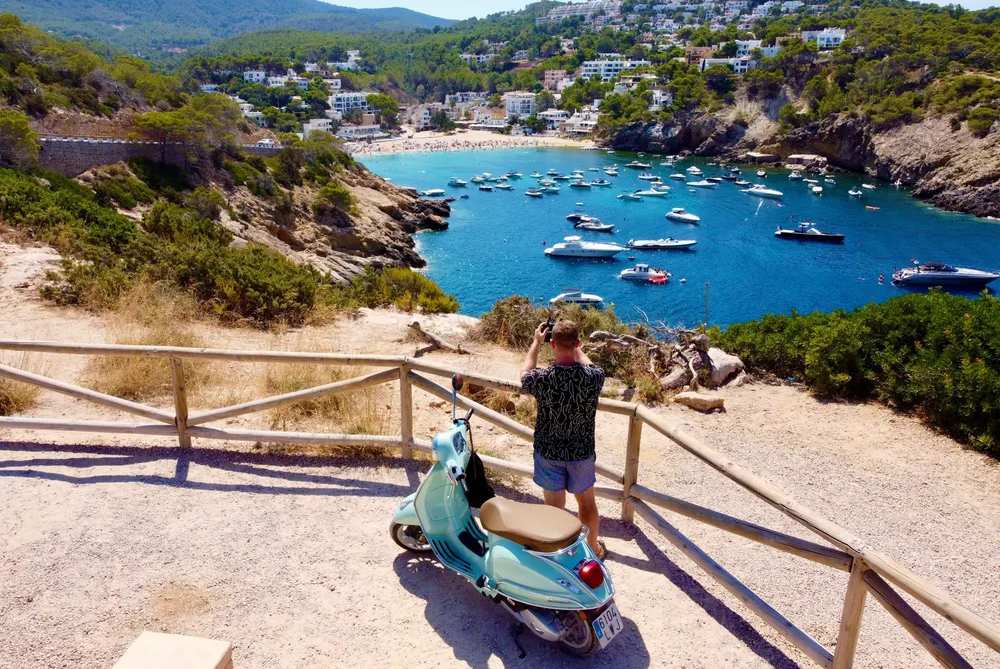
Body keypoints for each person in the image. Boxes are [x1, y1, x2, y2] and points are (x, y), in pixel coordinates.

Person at [521, 319, 607, 559]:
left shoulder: (543, 378)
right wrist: (575, 348)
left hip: (549, 452)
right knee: (587, 504)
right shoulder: (592, 378)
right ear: (578, 343)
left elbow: (525, 372)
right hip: (581, 452)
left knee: (554, 509)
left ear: (553, 344)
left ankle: (557, 554)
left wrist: (537, 343)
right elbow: (591, 365)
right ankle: (592, 551)